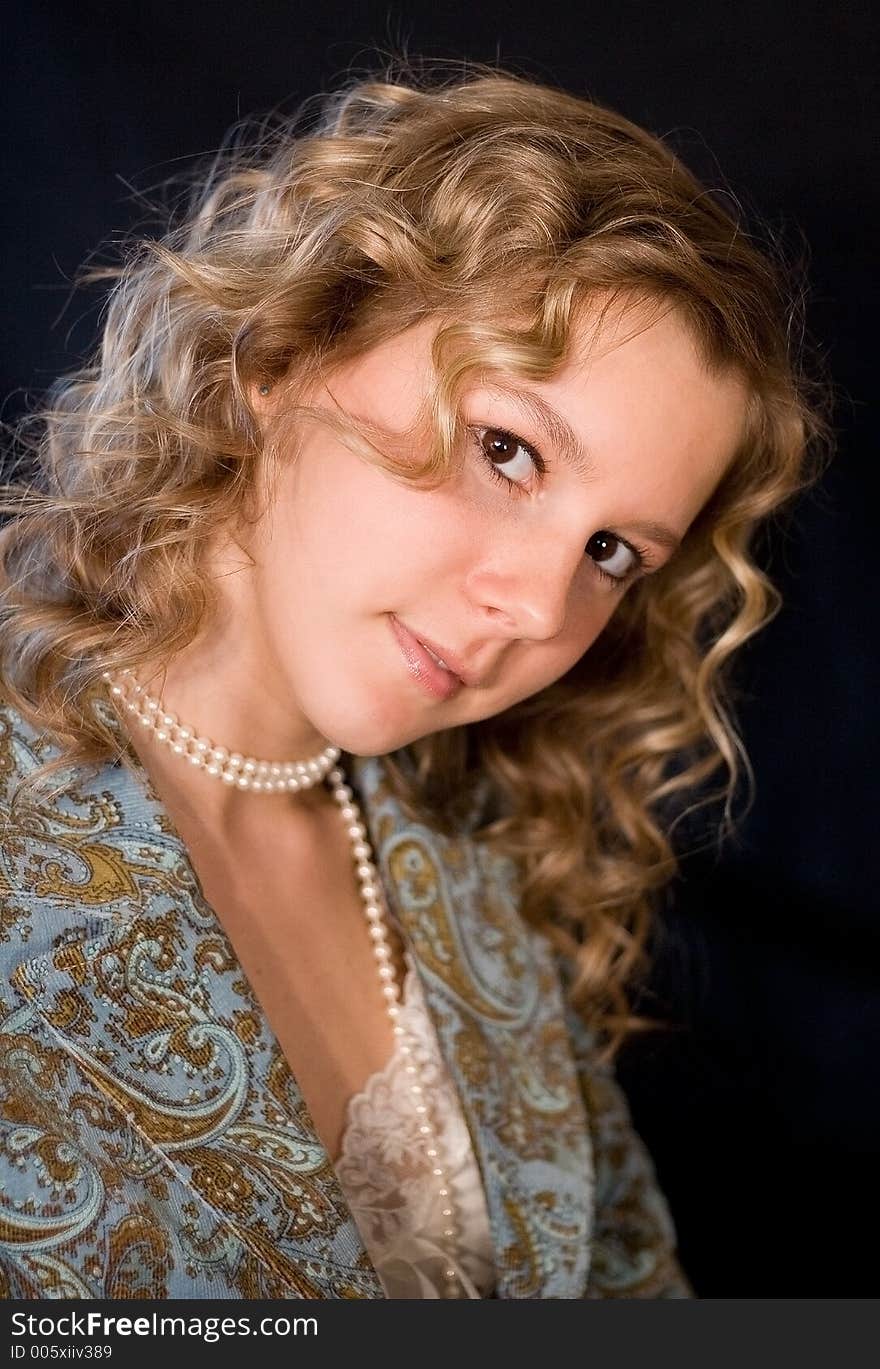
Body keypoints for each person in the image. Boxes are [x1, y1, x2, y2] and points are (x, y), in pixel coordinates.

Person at [0, 63, 827, 1300]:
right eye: (508, 450)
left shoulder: (483, 873)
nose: (540, 611)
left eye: (611, 553)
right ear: (286, 345)